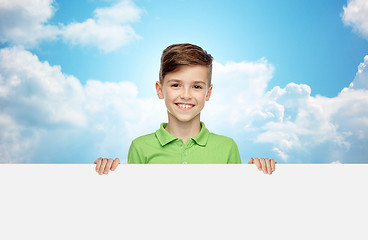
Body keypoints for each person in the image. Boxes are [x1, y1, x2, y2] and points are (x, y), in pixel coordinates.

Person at [94, 43, 277, 174]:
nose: (186, 95)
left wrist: (261, 171)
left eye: (197, 86)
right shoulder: (140, 147)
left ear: (208, 92)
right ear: (160, 90)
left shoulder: (227, 147)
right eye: (176, 85)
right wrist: (107, 173)